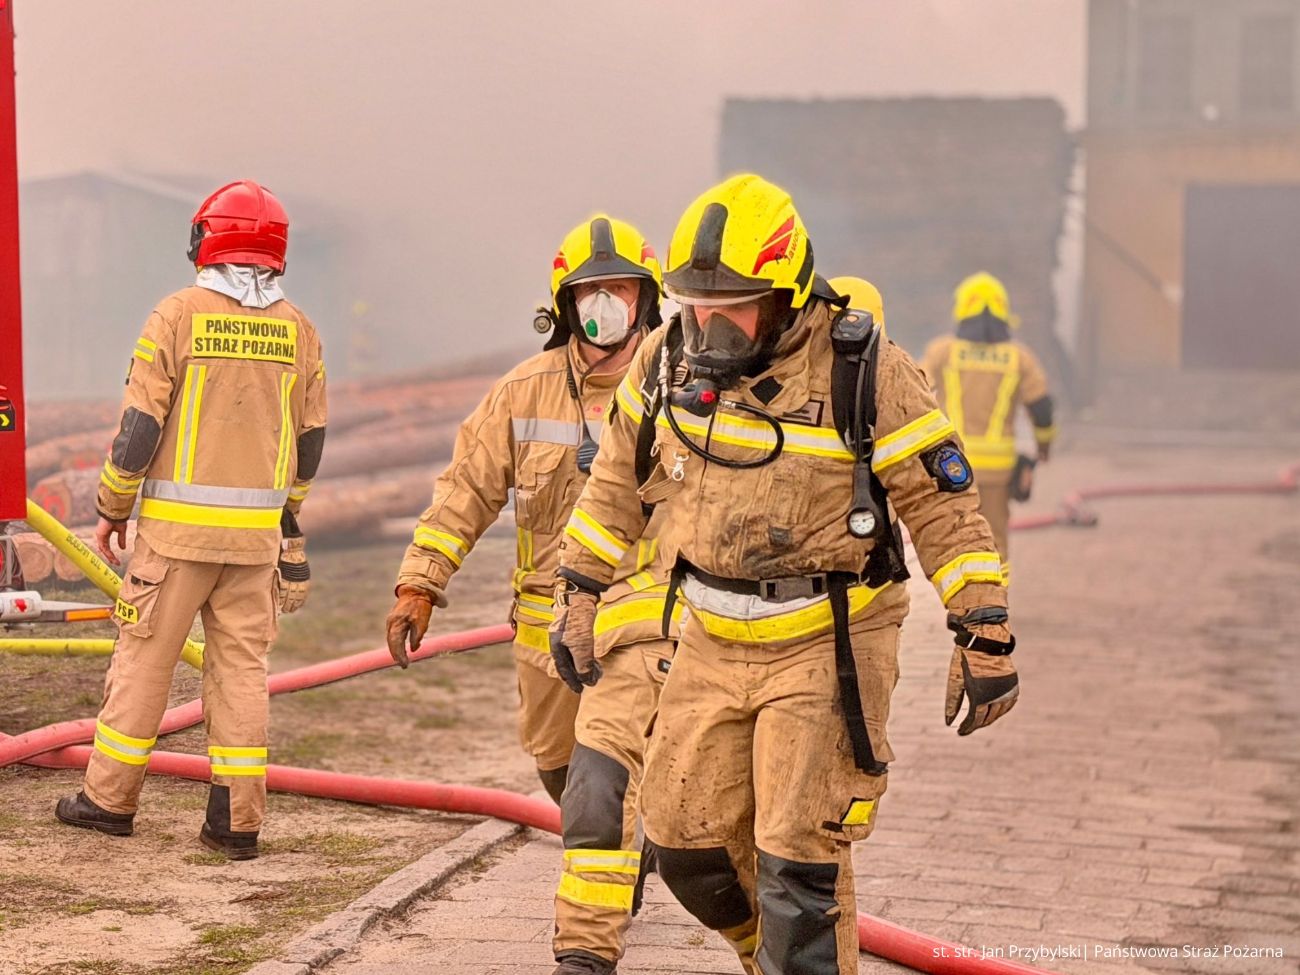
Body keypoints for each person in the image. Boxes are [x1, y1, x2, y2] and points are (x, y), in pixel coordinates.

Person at [551, 174, 1019, 974]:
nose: (707, 323)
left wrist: (985, 631)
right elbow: (613, 488)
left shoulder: (865, 370)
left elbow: (944, 512)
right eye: (695, 302)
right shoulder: (667, 360)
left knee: (796, 862)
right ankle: (764, 955)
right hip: (709, 634)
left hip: (826, 638)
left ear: (787, 293)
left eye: (729, 304)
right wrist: (579, 590)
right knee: (682, 840)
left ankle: (791, 958)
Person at [385, 217, 678, 973]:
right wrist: (421, 580)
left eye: (620, 288)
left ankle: (586, 942)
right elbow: (466, 492)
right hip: (544, 622)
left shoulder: (679, 385)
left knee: (600, 777)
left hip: (638, 615)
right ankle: (623, 847)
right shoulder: (523, 390)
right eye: (592, 291)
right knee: (556, 761)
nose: (606, 303)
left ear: (647, 299)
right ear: (566, 302)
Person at [55, 180, 327, 861]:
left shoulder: (177, 315)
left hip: (174, 541)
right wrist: (289, 521)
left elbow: (139, 427)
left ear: (207, 239)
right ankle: (236, 822)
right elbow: (310, 441)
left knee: (144, 663)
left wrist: (112, 506)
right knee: (241, 671)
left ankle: (109, 800)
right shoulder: (300, 328)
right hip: (254, 543)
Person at [920, 272, 1056, 582]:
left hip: (950, 465)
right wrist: (1043, 447)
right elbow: (1043, 409)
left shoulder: (942, 352)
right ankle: (993, 612)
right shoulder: (1019, 357)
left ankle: (960, 608)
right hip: (997, 470)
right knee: (994, 543)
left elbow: (915, 394)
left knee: (952, 539)